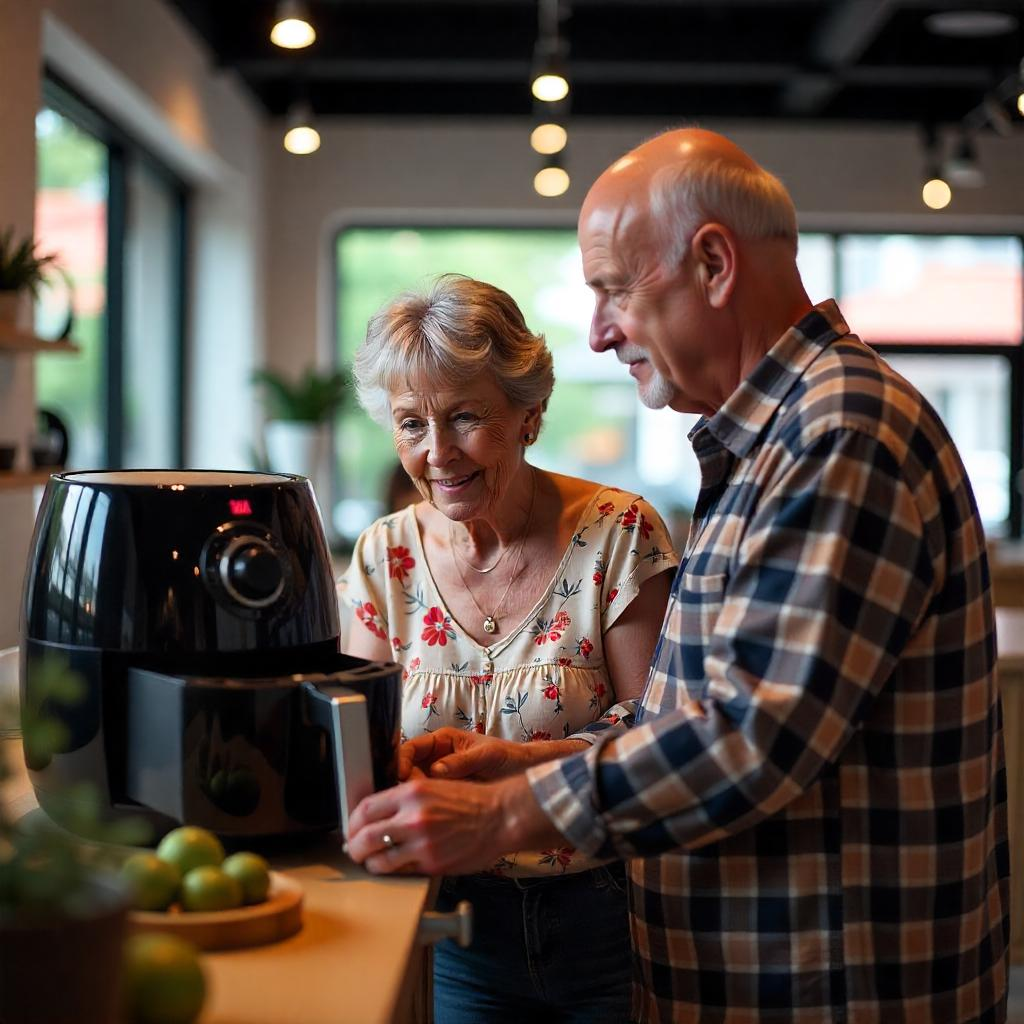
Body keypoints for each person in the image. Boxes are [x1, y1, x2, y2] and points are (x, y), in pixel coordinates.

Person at [347, 129, 1010, 1024]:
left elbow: (752, 739)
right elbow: (688, 721)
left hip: (827, 988)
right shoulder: (776, 442)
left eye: (614, 289)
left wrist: (502, 818)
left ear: (712, 264)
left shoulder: (837, 433)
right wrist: (520, 764)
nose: (599, 329)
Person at [338, 273, 679, 1023]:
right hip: (451, 918)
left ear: (530, 414)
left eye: (464, 417)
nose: (437, 454)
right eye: (410, 424)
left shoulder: (618, 534)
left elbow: (659, 736)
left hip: (605, 911)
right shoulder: (383, 557)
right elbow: (355, 744)